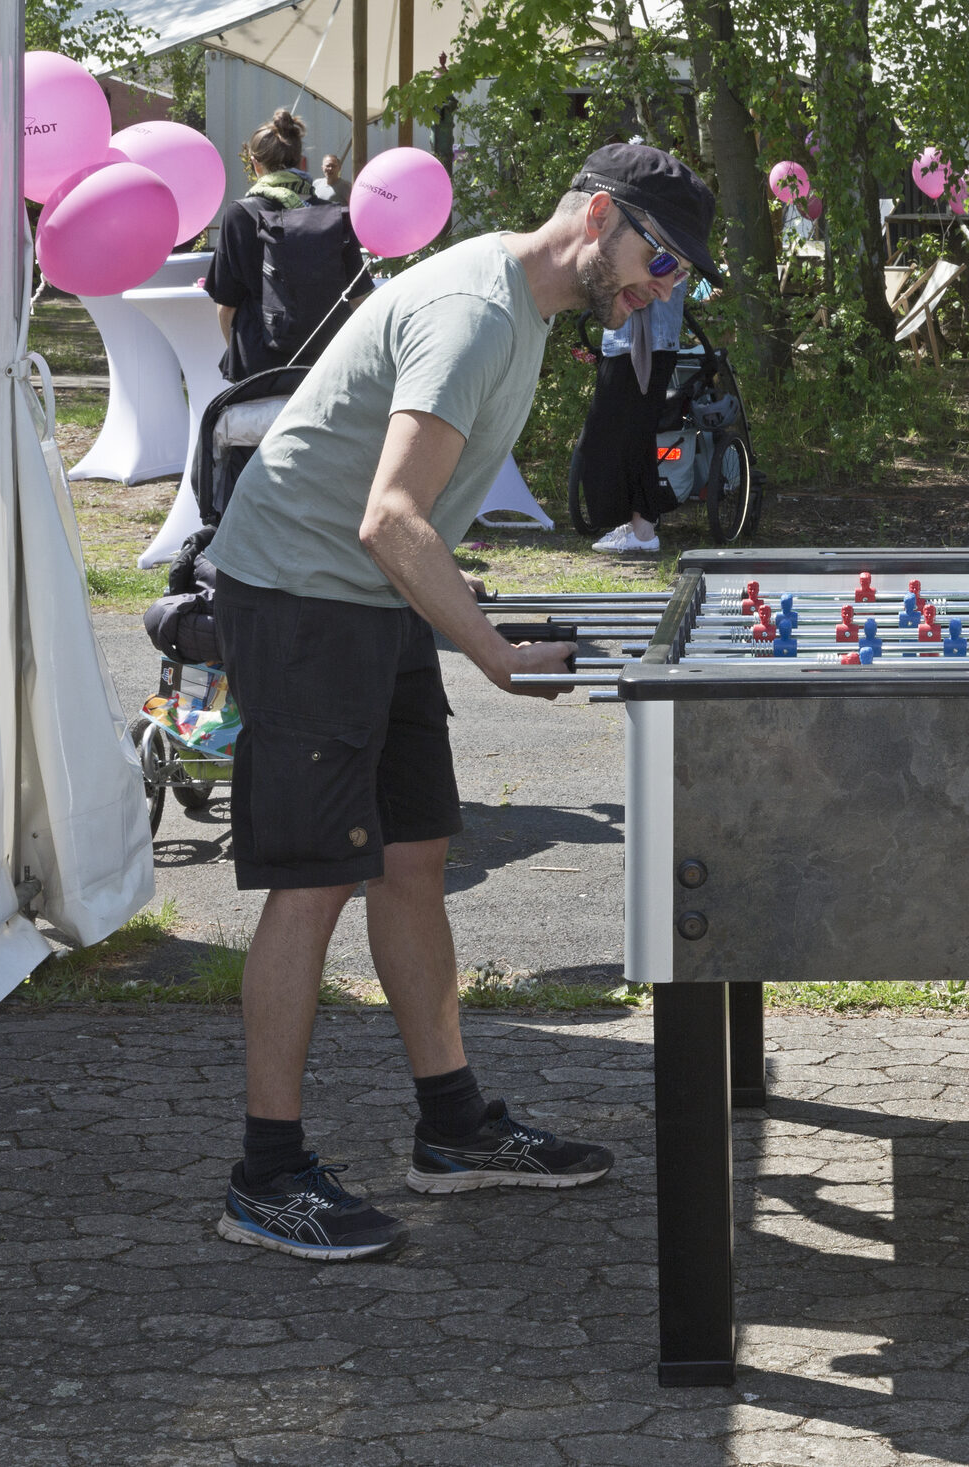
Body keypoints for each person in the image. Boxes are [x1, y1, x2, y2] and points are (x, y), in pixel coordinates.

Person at [203, 143, 723, 1262]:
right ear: (599, 215)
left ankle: (452, 1130)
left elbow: (406, 520)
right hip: (300, 595)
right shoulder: (478, 313)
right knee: (314, 881)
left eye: (678, 276)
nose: (659, 289)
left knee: (415, 854)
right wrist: (489, 651)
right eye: (659, 259)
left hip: (367, 597)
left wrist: (461, 609)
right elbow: (391, 515)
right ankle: (266, 1174)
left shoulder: (525, 308)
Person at [205, 110, 366, 381]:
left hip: (260, 365)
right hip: (326, 362)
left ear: (255, 164)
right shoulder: (336, 215)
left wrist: (240, 357)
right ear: (301, 161)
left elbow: (226, 307)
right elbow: (359, 300)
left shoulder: (240, 215)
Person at [574, 281, 698, 552]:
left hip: (651, 345)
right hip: (621, 343)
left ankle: (643, 530)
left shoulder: (669, 242)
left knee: (628, 435)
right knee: (618, 438)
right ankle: (636, 525)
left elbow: (667, 276)